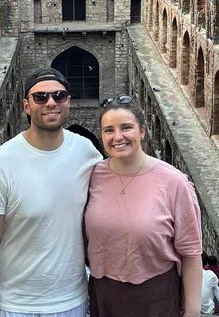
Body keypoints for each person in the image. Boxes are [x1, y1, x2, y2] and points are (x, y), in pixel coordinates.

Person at [0, 67, 103, 317]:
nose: (51, 102)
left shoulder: (86, 152)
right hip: (16, 305)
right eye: (41, 97)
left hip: (71, 300)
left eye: (59, 95)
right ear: (26, 105)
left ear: (68, 102)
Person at [84, 95, 203, 317]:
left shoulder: (174, 182)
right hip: (104, 292)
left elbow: (191, 254)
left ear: (142, 131)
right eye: (109, 130)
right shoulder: (94, 175)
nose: (117, 137)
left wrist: (192, 312)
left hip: (155, 295)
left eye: (126, 127)